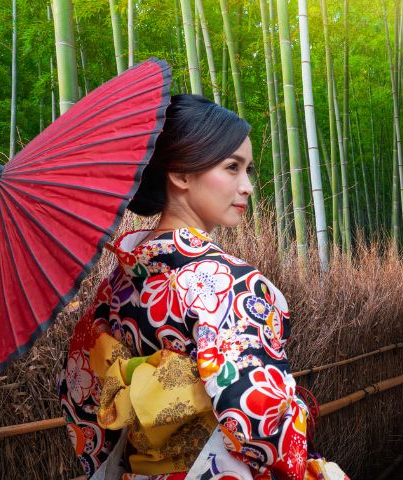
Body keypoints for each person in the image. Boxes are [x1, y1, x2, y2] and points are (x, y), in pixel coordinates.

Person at [58, 94, 344, 480]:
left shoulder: (117, 283)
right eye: (232, 167)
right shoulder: (226, 282)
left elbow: (80, 397)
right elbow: (259, 420)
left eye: (249, 171)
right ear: (180, 173)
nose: (246, 187)